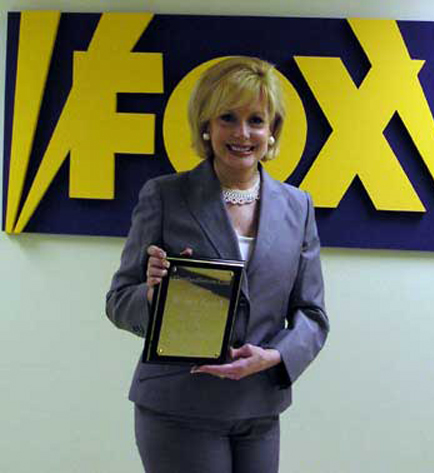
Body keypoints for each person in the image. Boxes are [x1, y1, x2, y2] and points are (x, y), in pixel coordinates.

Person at [106, 56, 329, 473]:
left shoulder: (298, 207)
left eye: (256, 120)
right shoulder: (165, 195)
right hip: (177, 405)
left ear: (272, 130)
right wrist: (153, 295)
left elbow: (313, 316)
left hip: (259, 409)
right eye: (228, 118)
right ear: (206, 126)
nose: (243, 133)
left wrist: (275, 357)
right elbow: (119, 301)